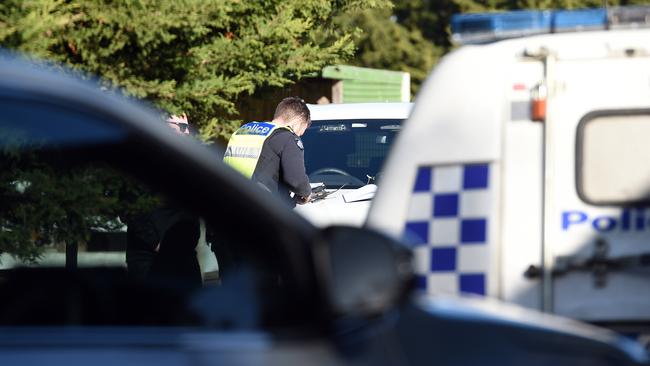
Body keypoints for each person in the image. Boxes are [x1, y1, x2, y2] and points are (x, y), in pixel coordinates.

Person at [125, 113, 201, 288]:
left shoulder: (186, 161)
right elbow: (131, 206)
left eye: (188, 127)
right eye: (182, 127)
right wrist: (155, 243)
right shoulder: (144, 161)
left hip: (184, 254)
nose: (187, 133)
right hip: (150, 258)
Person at [223, 97, 312, 207]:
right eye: (300, 132)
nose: (298, 135)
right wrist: (306, 193)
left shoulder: (244, 130)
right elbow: (296, 181)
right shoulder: (287, 137)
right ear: (297, 122)